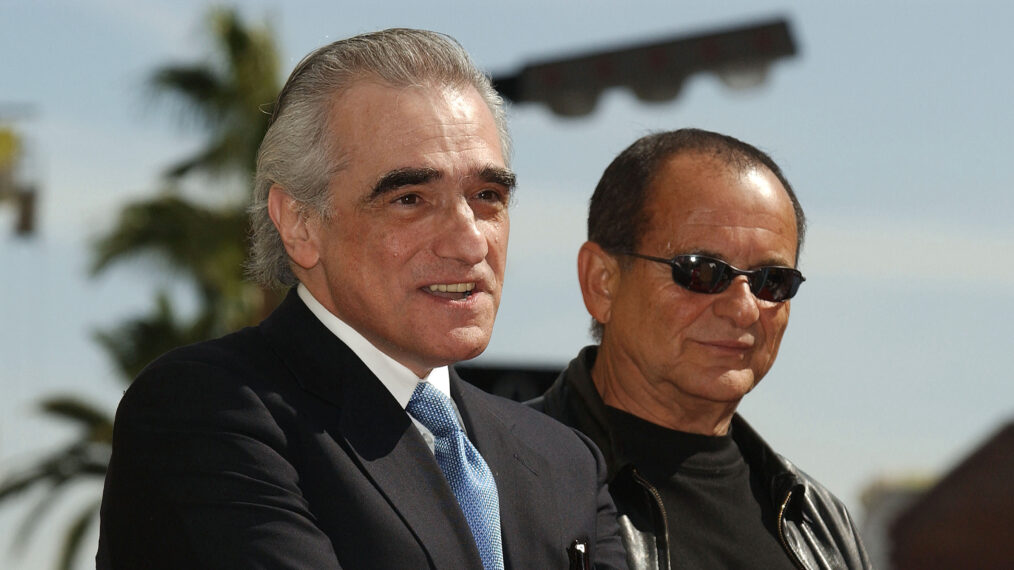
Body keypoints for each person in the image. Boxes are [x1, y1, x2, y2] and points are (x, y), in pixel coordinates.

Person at [97, 29, 626, 570]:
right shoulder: (208, 410)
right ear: (300, 224)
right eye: (410, 199)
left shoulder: (565, 464)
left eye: (487, 196)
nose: (470, 241)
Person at [531, 129, 872, 569]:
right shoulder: (496, 480)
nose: (744, 308)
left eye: (773, 281)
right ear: (602, 281)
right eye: (702, 272)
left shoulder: (820, 523)